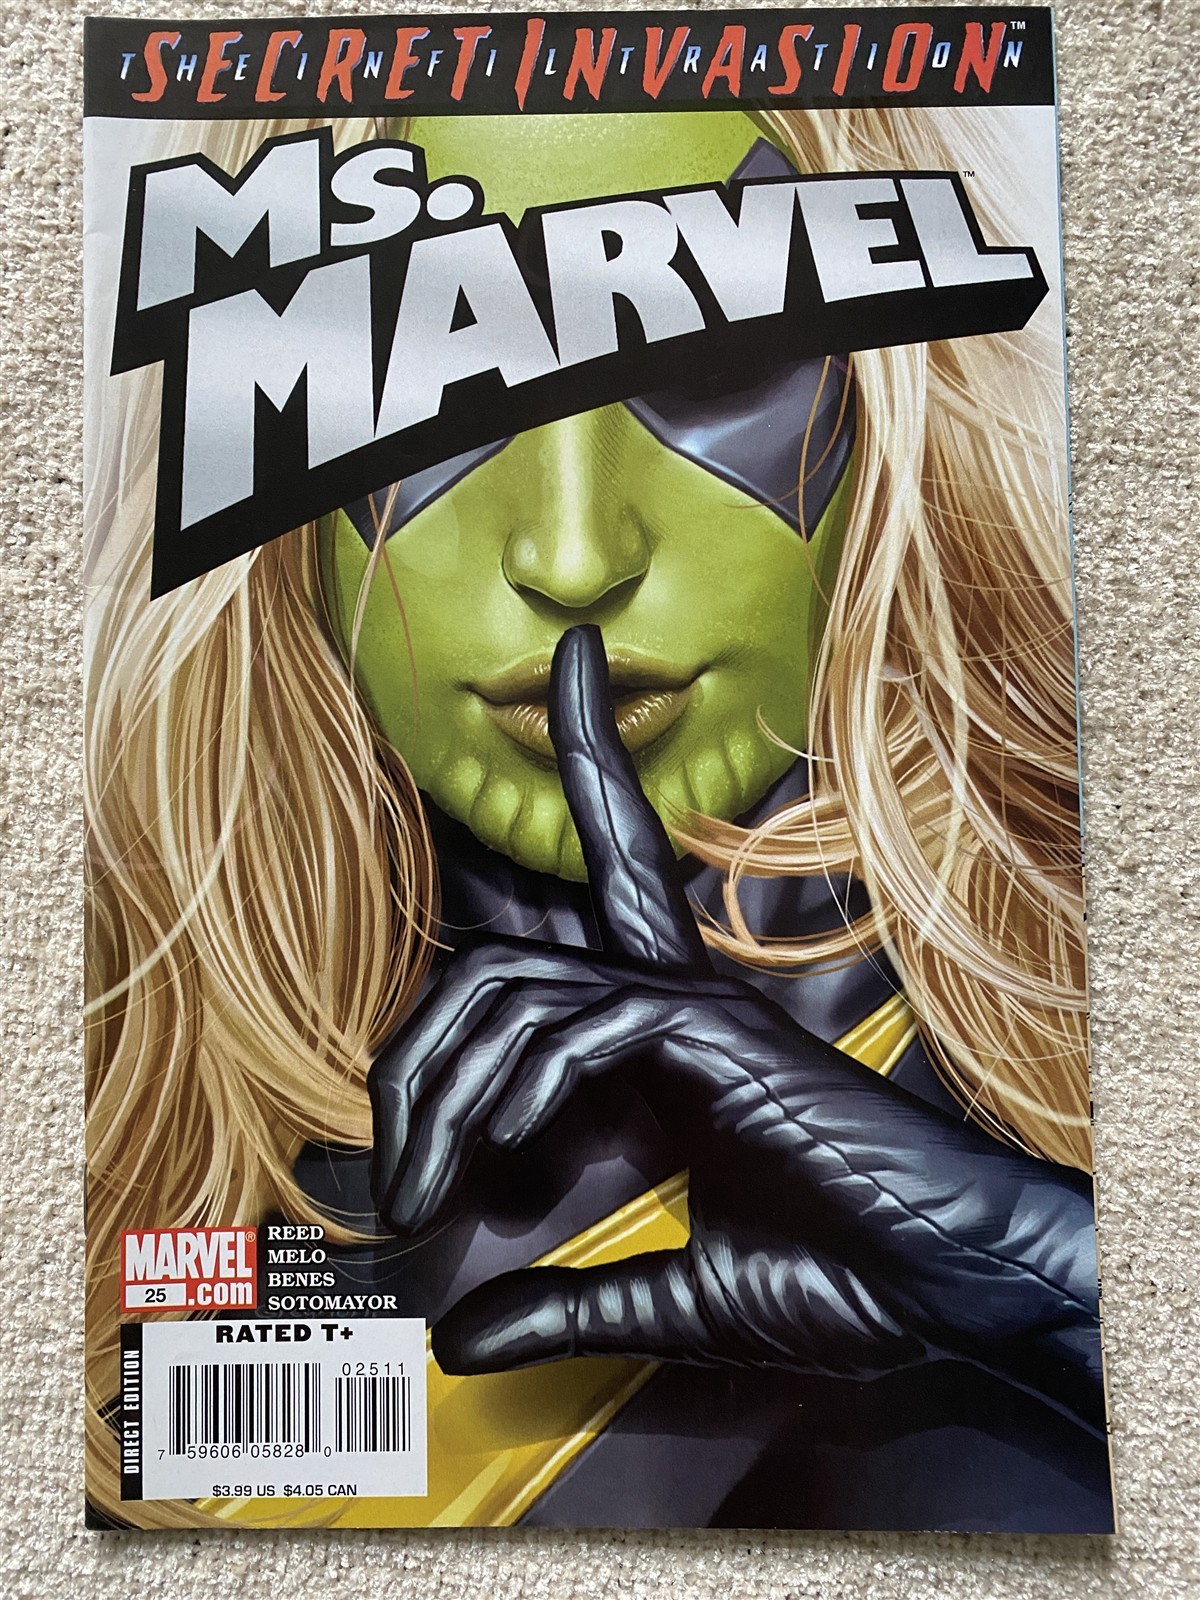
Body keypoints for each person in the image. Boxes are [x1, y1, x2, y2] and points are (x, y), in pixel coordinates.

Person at [85, 106, 1110, 1530]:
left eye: (719, 353)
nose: (571, 556)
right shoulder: (117, 1110)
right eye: (425, 370)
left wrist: (1056, 1276)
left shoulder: (1117, 977)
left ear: (901, 389)